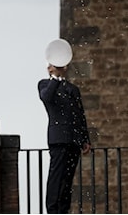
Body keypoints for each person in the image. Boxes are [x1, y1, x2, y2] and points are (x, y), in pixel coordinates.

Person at [38, 63, 91, 214]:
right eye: (51, 65)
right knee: (56, 177)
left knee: (67, 179)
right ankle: (52, 209)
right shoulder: (45, 84)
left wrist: (85, 138)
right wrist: (55, 77)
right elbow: (47, 98)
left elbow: (80, 115)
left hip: (73, 140)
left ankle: (63, 210)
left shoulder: (73, 89)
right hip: (59, 139)